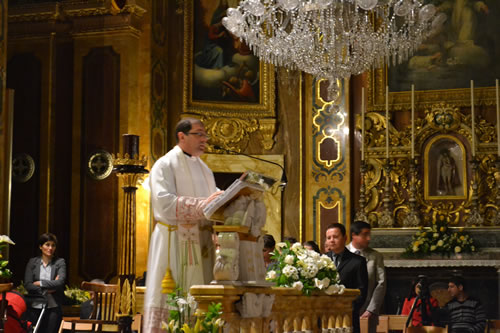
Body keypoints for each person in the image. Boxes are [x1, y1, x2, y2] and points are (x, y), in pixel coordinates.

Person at [143, 118, 223, 333]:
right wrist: (203, 205)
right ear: (181, 136)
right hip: (175, 240)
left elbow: (214, 201)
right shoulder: (165, 164)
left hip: (203, 244)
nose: (205, 139)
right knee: (176, 298)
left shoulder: (205, 169)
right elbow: (165, 203)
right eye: (199, 134)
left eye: (205, 135)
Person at [325, 223, 368, 333]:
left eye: (335, 237)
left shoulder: (358, 261)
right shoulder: (322, 260)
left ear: (345, 238)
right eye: (328, 238)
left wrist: (348, 307)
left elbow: (362, 291)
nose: (331, 240)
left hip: (348, 315)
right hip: (325, 315)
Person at [347, 221, 386, 333]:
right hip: (346, 309)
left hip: (367, 310)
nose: (369, 238)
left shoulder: (375, 256)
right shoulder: (343, 253)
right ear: (354, 235)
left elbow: (381, 283)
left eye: (369, 235)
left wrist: (371, 309)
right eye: (365, 235)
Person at [24, 233, 66, 333]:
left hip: (53, 305)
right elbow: (28, 284)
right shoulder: (32, 262)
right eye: (47, 244)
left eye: (53, 245)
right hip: (35, 304)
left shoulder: (60, 262)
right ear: (40, 246)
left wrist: (40, 283)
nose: (50, 248)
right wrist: (49, 288)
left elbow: (60, 282)